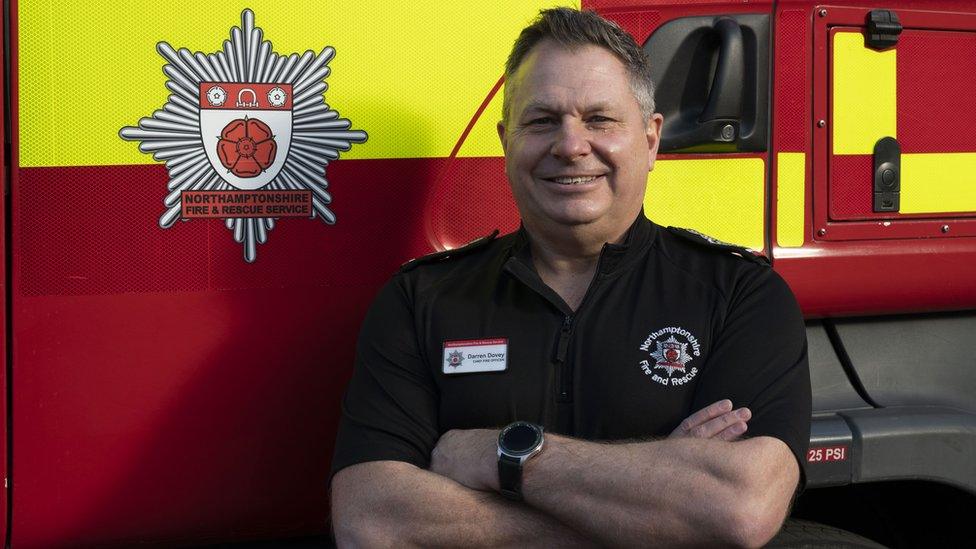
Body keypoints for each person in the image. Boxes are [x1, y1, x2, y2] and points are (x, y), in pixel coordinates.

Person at [330, 7, 810, 547]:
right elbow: (372, 520)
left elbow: (739, 508)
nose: (570, 145)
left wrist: (498, 456)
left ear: (651, 140)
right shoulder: (421, 300)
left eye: (600, 119)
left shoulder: (741, 295)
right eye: (541, 121)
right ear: (506, 140)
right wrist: (655, 502)